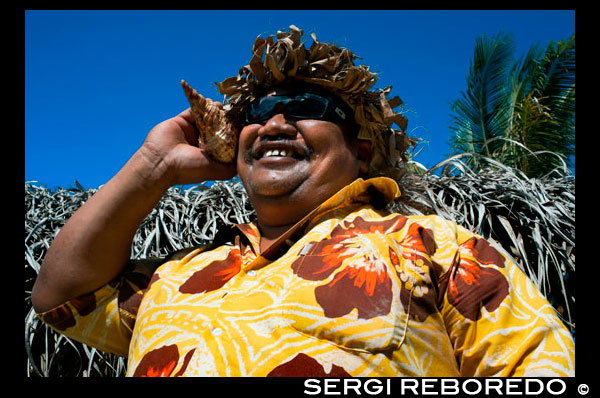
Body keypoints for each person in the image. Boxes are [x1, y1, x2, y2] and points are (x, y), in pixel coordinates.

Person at [32, 26, 574, 377]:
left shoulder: (434, 245)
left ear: (361, 153)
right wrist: (155, 166)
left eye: (305, 106)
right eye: (258, 114)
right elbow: (59, 297)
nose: (274, 122)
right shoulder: (180, 273)